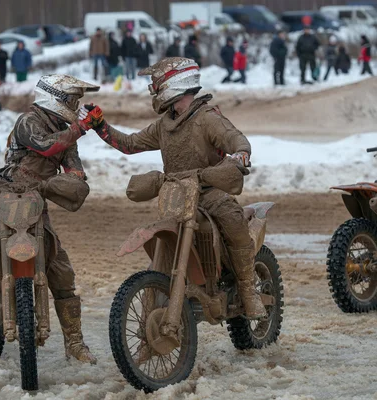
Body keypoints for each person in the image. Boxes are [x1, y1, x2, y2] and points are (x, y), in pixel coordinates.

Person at [78, 57, 266, 320]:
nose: (153, 90)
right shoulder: (164, 125)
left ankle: (248, 291)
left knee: (233, 220)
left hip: (209, 192)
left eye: (156, 84)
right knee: (163, 234)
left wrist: (241, 154)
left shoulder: (207, 119)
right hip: (177, 195)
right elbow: (130, 144)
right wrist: (101, 126)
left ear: (175, 84)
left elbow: (236, 139)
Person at [0, 74, 99, 364]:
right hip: (3, 193)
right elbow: (46, 147)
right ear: (54, 97)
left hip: (36, 201)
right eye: (72, 99)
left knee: (62, 272)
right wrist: (81, 127)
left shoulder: (66, 133)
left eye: (78, 100)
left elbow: (74, 169)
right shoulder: (28, 121)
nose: (76, 104)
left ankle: (75, 342)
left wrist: (74, 182)